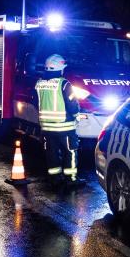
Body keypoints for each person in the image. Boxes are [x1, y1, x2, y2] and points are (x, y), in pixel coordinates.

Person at [34, 54, 84, 187]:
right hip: (65, 127)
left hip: (46, 128)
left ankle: (55, 179)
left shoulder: (39, 83)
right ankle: (71, 179)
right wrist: (76, 115)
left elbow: (36, 102)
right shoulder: (64, 84)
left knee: (51, 153)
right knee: (70, 152)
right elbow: (72, 103)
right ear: (60, 69)